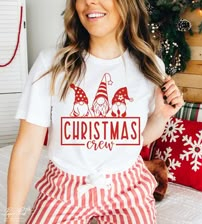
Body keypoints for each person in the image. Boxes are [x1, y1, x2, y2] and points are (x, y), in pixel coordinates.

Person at [7, 0, 184, 223]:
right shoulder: (51, 63)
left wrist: (160, 116)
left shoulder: (151, 66)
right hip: (64, 187)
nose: (90, 2)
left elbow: (132, 141)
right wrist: (11, 220)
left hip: (127, 186)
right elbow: (27, 148)